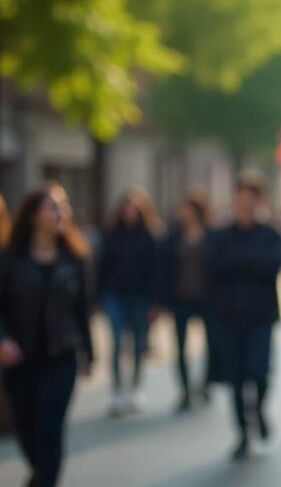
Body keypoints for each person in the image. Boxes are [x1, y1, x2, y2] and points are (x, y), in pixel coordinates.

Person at [0, 187, 95, 487]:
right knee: (26, 428)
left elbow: (83, 309)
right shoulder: (9, 259)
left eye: (63, 207)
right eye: (52, 207)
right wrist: (3, 339)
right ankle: (41, 475)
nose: (61, 213)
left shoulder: (75, 259)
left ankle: (45, 481)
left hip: (61, 355)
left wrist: (89, 352)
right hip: (20, 358)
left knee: (50, 426)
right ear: (32, 216)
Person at [206, 171, 281, 460]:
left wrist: (239, 264)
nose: (245, 204)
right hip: (228, 317)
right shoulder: (221, 235)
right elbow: (214, 267)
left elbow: (272, 265)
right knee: (236, 379)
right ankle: (242, 432)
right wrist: (250, 263)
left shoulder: (270, 233)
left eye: (251, 199)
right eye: (241, 198)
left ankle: (259, 410)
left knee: (260, 373)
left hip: (261, 316)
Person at [99, 189, 162, 416]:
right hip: (115, 295)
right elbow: (102, 267)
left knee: (138, 344)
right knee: (116, 345)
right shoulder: (112, 235)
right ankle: (116, 391)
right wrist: (100, 297)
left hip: (141, 297)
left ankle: (136, 388)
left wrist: (155, 302)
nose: (130, 212)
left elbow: (156, 271)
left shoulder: (149, 236)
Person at [159, 189, 215, 412]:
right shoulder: (173, 236)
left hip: (206, 298)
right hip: (180, 297)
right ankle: (184, 389)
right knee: (179, 345)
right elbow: (163, 268)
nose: (183, 213)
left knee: (211, 344)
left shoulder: (211, 235)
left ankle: (205, 384)